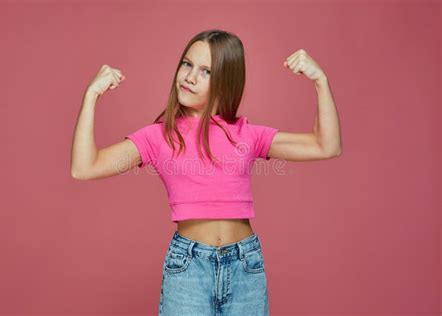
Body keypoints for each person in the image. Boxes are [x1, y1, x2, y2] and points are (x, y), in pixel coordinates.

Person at [70, 29, 342, 316]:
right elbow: (85, 167)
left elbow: (327, 145)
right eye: (186, 64)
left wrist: (320, 82)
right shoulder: (158, 137)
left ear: (225, 82)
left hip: (245, 266)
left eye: (205, 71)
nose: (189, 77)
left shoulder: (246, 134)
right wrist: (92, 95)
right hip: (188, 268)